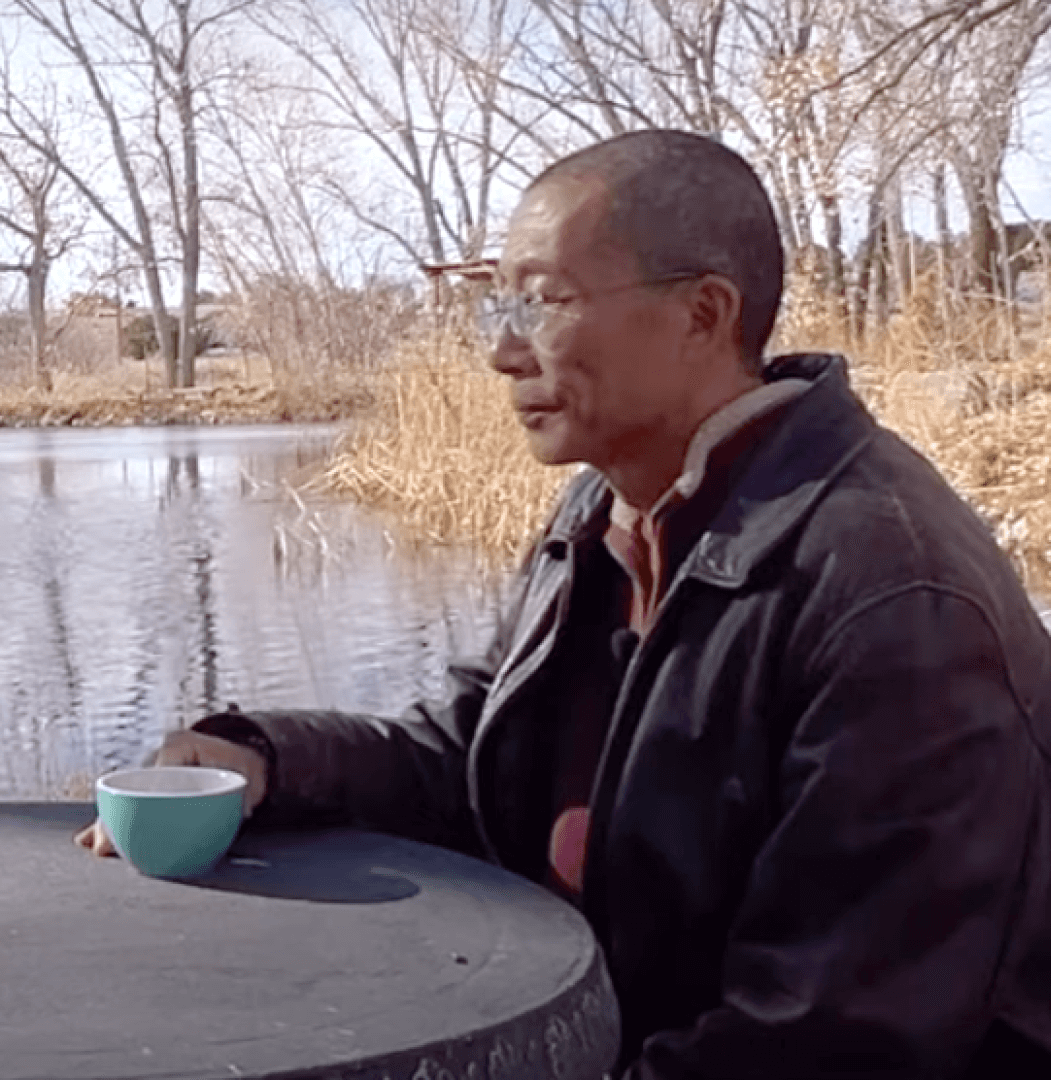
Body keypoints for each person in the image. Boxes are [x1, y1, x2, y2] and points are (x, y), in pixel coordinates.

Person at [76, 129, 1051, 1078]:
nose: (503, 352)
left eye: (544, 302)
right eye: (498, 303)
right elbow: (479, 764)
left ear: (703, 315)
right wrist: (264, 759)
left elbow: (836, 1038)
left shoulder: (893, 595)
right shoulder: (605, 509)